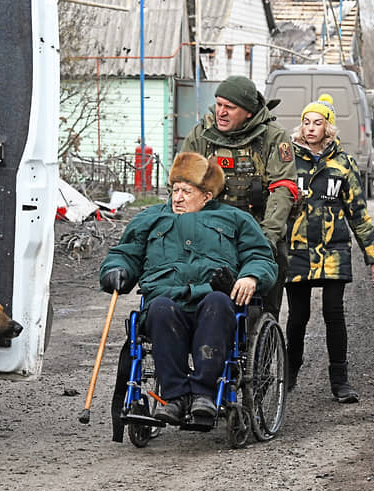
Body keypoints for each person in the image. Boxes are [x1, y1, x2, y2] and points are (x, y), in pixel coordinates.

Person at [99, 152, 278, 425]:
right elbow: (126, 252)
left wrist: (251, 277)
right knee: (158, 309)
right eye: (175, 190)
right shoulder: (151, 218)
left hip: (214, 300)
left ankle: (204, 395)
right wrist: (116, 269)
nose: (177, 198)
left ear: (207, 196)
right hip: (167, 300)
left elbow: (260, 256)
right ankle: (175, 397)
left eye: (186, 191)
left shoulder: (235, 218)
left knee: (218, 304)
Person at [285, 94, 374, 402]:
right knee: (297, 316)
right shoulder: (288, 161)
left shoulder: (343, 164)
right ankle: (289, 375)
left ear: (328, 128)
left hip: (333, 252)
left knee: (333, 314)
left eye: (318, 123)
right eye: (306, 122)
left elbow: (359, 213)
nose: (311, 128)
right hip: (297, 250)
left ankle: (340, 381)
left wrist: (373, 258)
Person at [180, 75, 297, 320]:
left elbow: (283, 189)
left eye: (229, 107)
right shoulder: (202, 135)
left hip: (259, 232)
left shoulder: (273, 138)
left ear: (248, 112)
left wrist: (267, 239)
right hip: (210, 236)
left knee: (262, 311)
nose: (221, 112)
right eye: (219, 104)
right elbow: (182, 184)